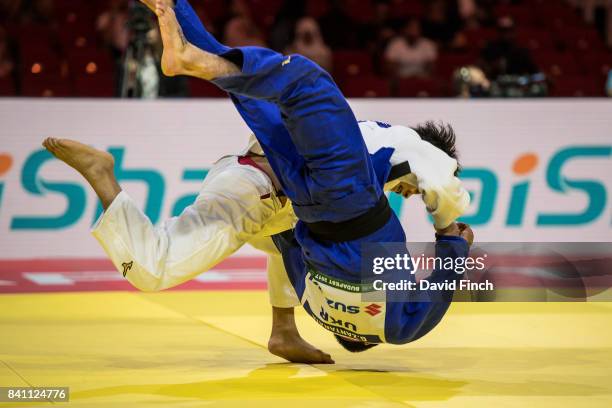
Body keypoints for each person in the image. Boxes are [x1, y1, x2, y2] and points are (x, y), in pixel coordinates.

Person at [149, 0, 473, 350]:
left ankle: (175, 14)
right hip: (316, 185)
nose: (409, 195)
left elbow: (293, 248)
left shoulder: (381, 157)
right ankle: (171, 8)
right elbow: (445, 185)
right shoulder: (415, 145)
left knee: (268, 81)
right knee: (284, 81)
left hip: (304, 176)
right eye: (411, 192)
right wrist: (449, 231)